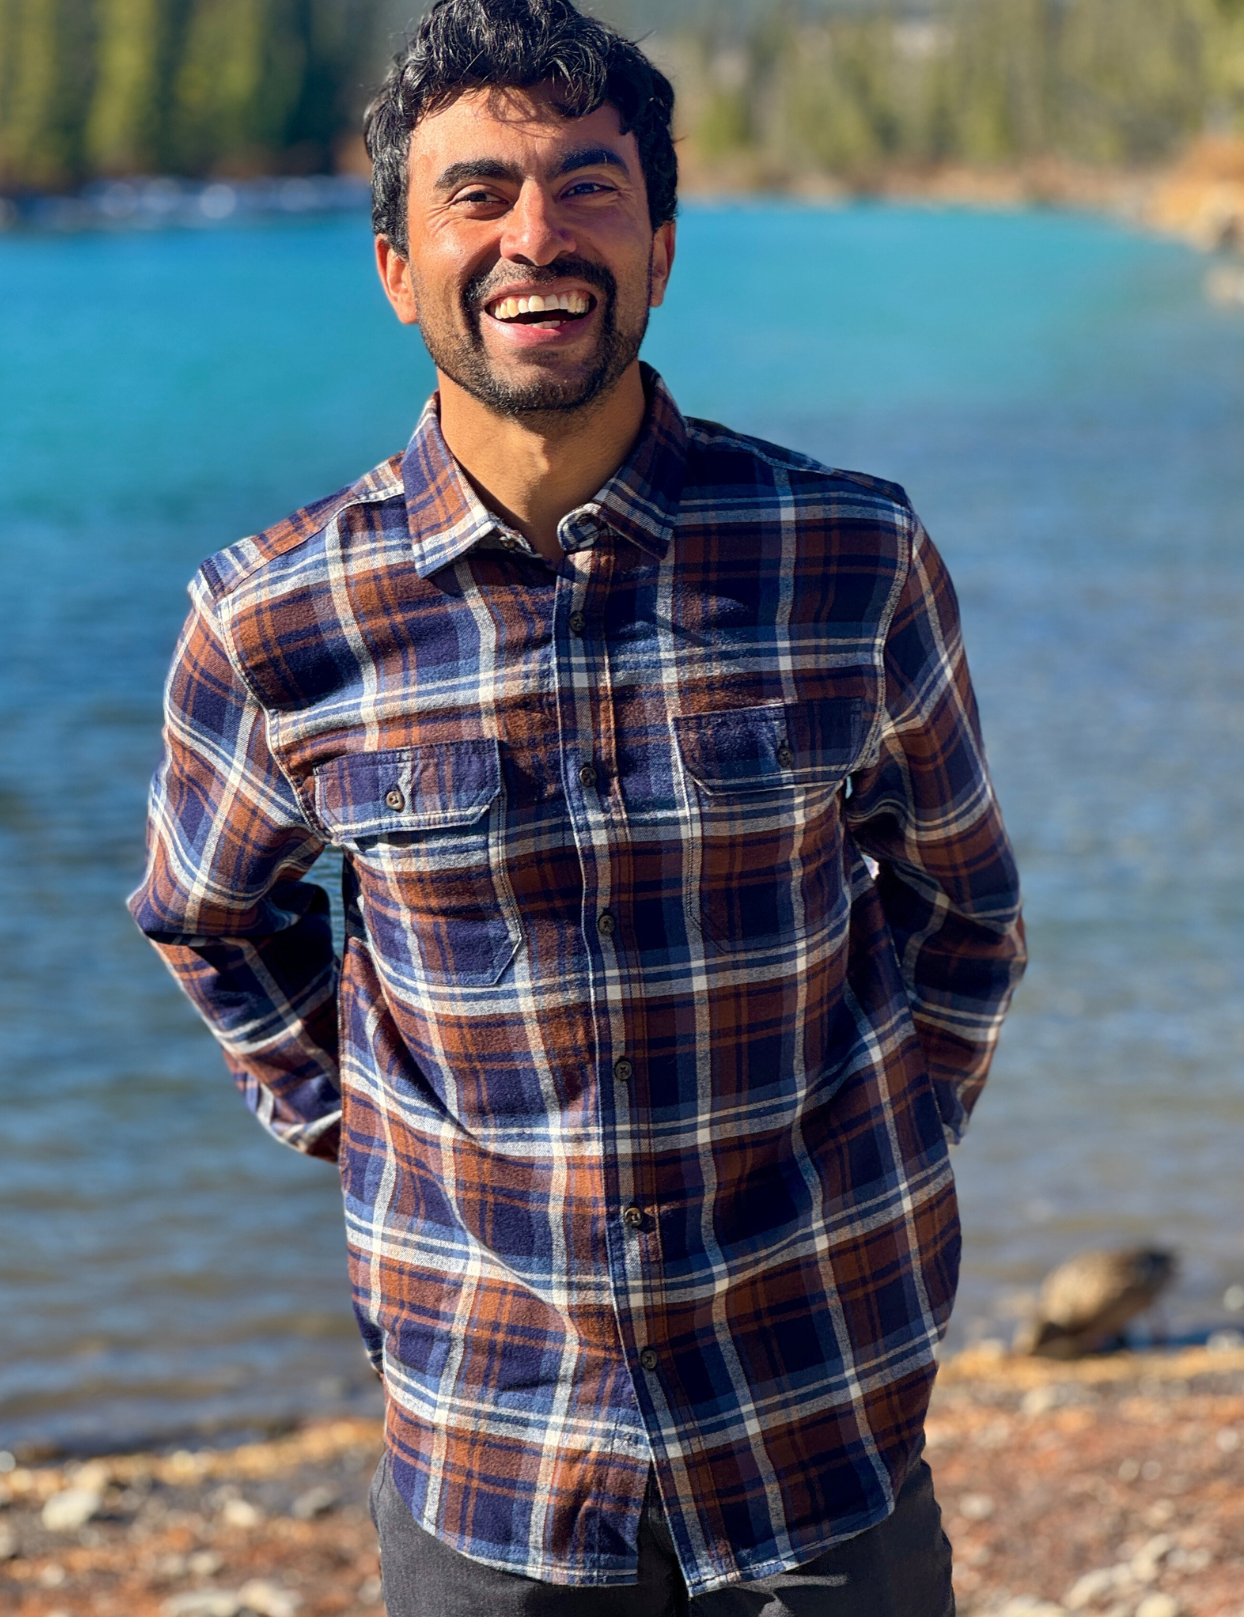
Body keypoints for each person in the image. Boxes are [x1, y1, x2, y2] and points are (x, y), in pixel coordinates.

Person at [129, 0, 1026, 1610]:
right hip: (494, 1457)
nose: (535, 234)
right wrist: (378, 1144)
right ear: (397, 267)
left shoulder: (847, 556)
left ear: (664, 245)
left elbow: (964, 912)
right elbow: (208, 921)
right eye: (476, 194)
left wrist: (876, 1142)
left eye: (587, 187)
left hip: (821, 1413)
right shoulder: (274, 619)